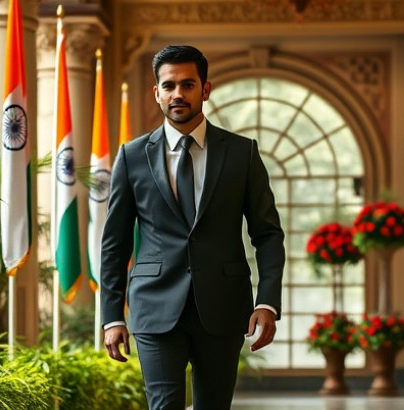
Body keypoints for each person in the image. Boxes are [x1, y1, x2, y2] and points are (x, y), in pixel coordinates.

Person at [101, 45, 286, 409]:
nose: (178, 94)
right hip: (155, 306)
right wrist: (111, 316)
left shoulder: (242, 153)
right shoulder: (132, 156)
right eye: (169, 86)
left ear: (205, 89)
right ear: (157, 93)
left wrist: (267, 301)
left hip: (224, 306)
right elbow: (115, 243)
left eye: (188, 84)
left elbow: (267, 235)